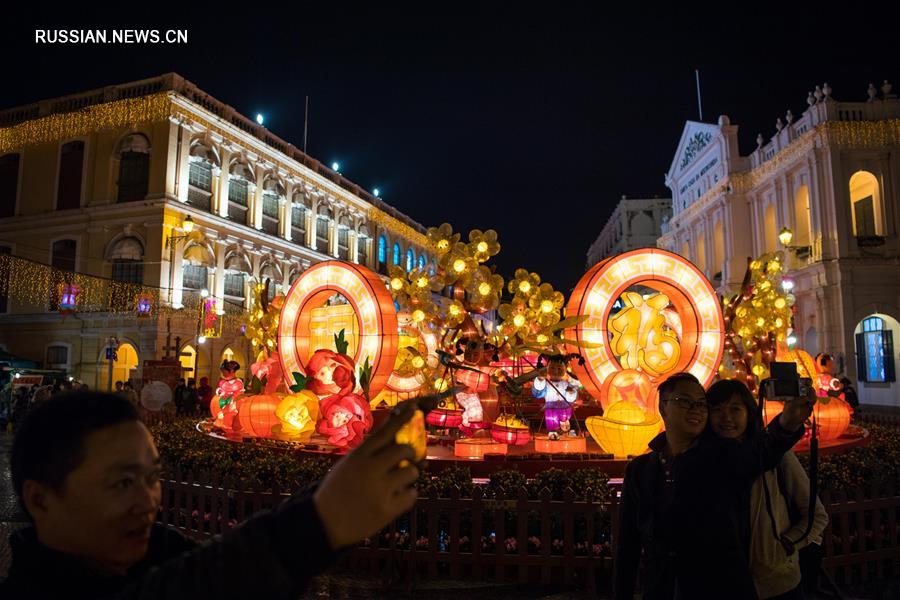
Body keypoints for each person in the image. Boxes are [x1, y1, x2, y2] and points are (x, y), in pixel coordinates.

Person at [2, 390, 424, 599]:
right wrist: (320, 522)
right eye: (122, 482)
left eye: (153, 477)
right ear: (40, 499)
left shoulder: (163, 553)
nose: (149, 499)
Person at [614, 372, 814, 600]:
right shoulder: (640, 470)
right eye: (684, 401)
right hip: (661, 590)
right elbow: (628, 546)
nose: (696, 409)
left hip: (720, 590)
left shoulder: (723, 456)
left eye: (701, 404)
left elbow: (763, 451)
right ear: (663, 407)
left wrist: (788, 422)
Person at [707, 379, 828, 600]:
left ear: (749, 412)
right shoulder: (702, 462)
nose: (726, 417)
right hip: (723, 587)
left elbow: (816, 515)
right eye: (717, 410)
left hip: (778, 584)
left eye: (735, 409)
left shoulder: (778, 457)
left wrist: (787, 544)